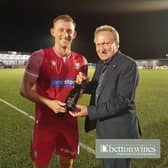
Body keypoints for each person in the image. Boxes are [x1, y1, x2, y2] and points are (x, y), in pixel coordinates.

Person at [20, 14, 87, 168]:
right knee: (41, 163)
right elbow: (24, 89)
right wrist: (49, 103)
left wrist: (81, 86)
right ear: (53, 32)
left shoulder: (81, 60)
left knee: (66, 164)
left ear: (74, 34)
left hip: (69, 122)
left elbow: (79, 93)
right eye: (61, 30)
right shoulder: (39, 57)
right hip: (45, 122)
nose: (65, 34)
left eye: (69, 31)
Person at [70, 25, 141, 168]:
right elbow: (97, 86)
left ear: (117, 43)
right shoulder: (102, 63)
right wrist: (83, 84)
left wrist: (89, 111)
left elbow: (122, 101)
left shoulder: (128, 65)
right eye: (97, 44)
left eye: (105, 43)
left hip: (120, 133)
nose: (100, 49)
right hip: (105, 129)